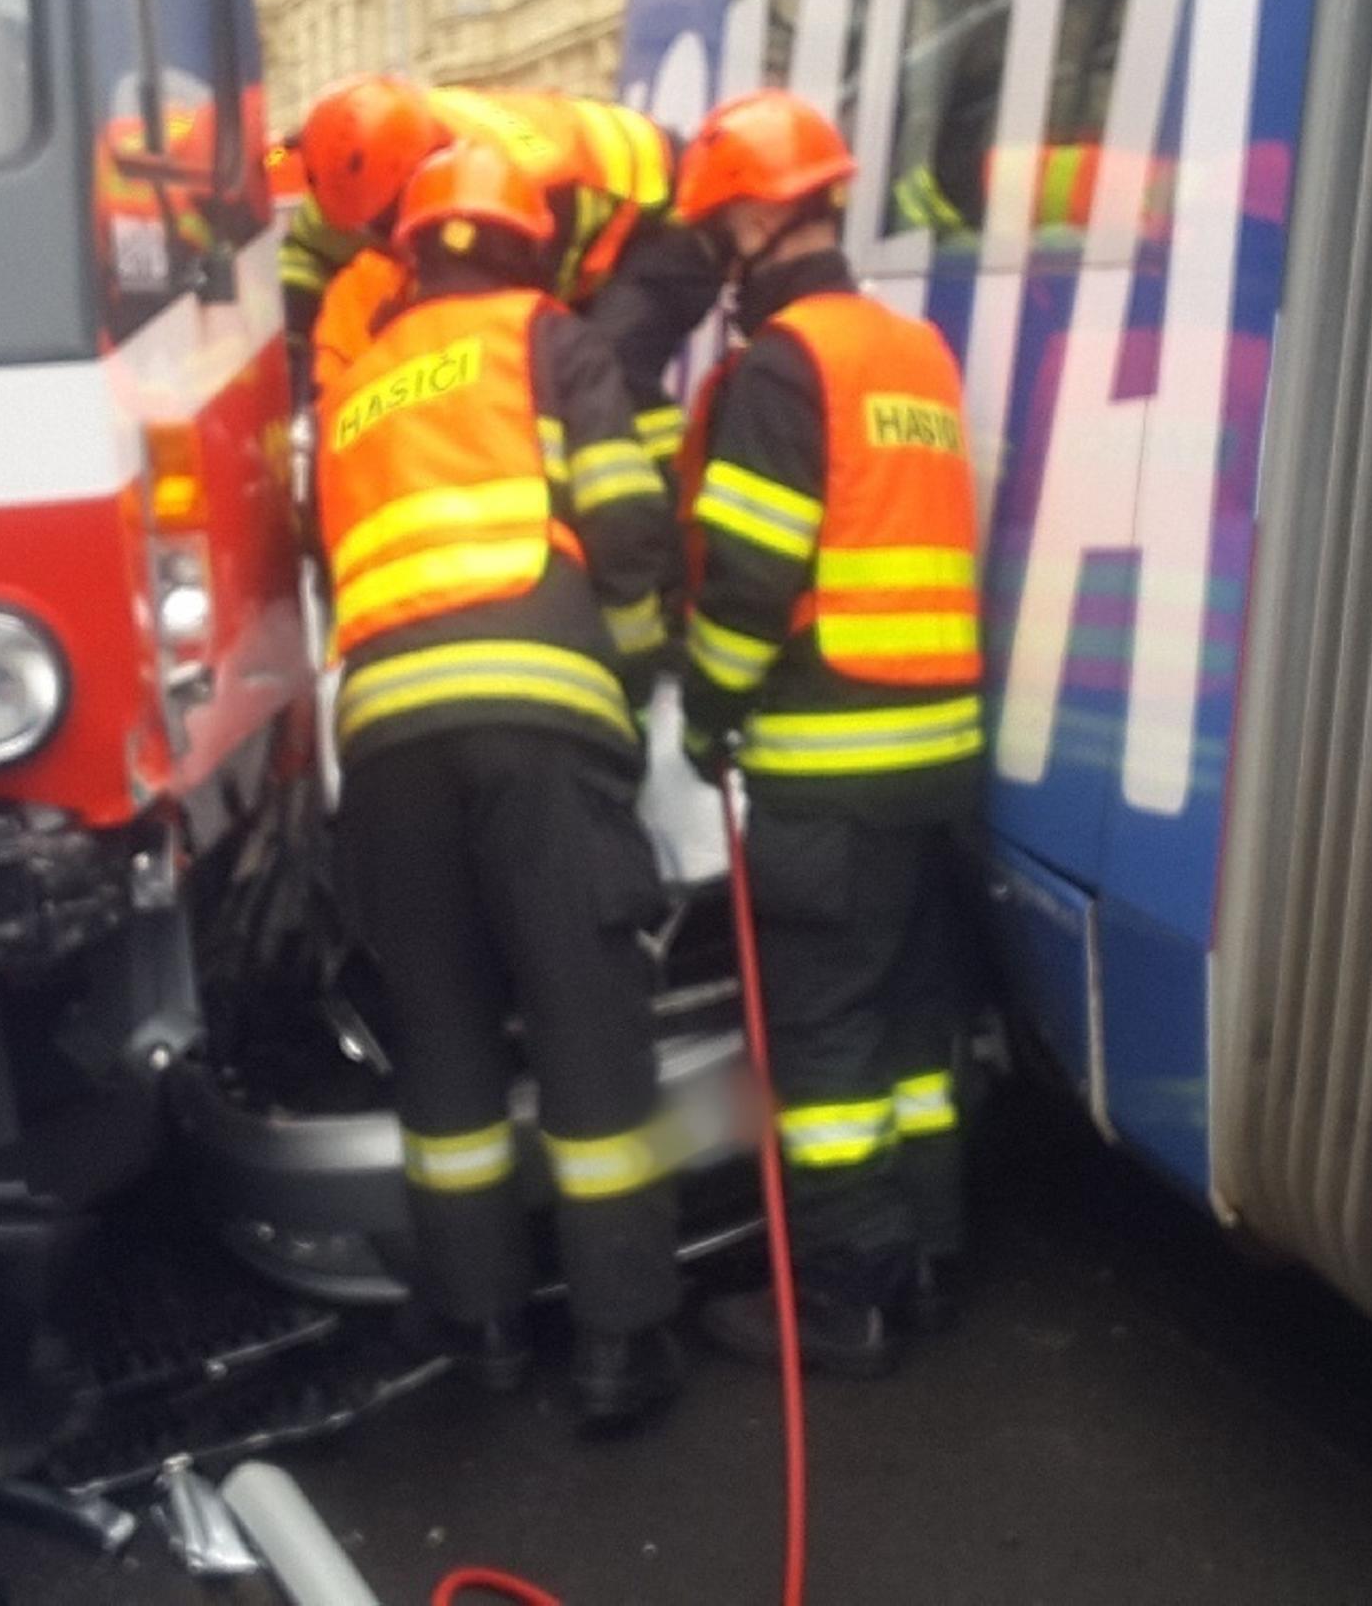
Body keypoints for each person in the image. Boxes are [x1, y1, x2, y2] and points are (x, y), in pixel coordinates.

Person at [315, 139, 685, 1427]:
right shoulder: (546, 335)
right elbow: (630, 519)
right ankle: (618, 1348)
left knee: (446, 1041)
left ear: (410, 251)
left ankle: (480, 1334)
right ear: (529, 243)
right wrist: (628, 679)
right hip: (538, 723)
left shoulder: (354, 387)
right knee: (586, 1031)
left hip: (383, 746)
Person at [670, 89, 985, 1377]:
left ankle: (846, 1300)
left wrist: (706, 713)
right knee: (916, 1025)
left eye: (711, 233)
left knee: (826, 1048)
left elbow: (748, 580)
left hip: (827, 764)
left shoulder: (783, 365)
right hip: (936, 756)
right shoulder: (912, 350)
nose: (707, 262)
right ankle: (931, 1253)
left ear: (753, 216)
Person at [284, 78, 718, 479]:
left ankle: (654, 493)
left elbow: (517, 330)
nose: (382, 236)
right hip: (616, 198)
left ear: (420, 174)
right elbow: (310, 249)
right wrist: (293, 360)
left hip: (681, 213)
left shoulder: (520, 188)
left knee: (599, 371)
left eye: (385, 222)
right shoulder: (379, 148)